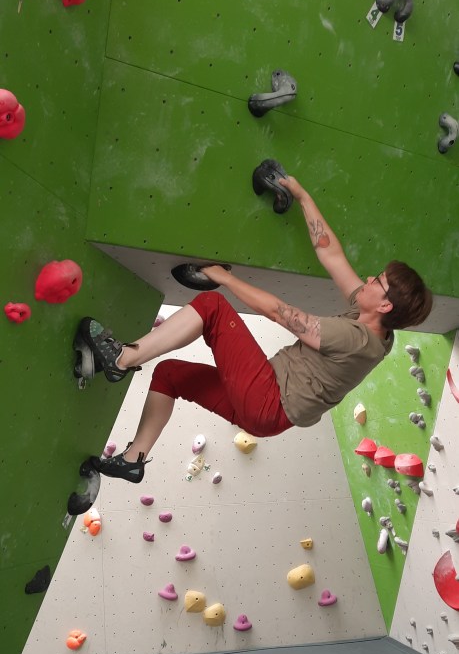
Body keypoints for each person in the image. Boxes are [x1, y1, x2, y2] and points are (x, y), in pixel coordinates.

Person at [78, 175, 432, 485]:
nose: (369, 278)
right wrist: (303, 196)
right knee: (170, 376)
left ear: (385, 305)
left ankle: (122, 359)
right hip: (267, 411)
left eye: (379, 281)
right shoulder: (375, 322)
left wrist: (223, 276)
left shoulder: (356, 340)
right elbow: (332, 256)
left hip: (269, 399)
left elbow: (282, 313)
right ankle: (132, 460)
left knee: (213, 307)